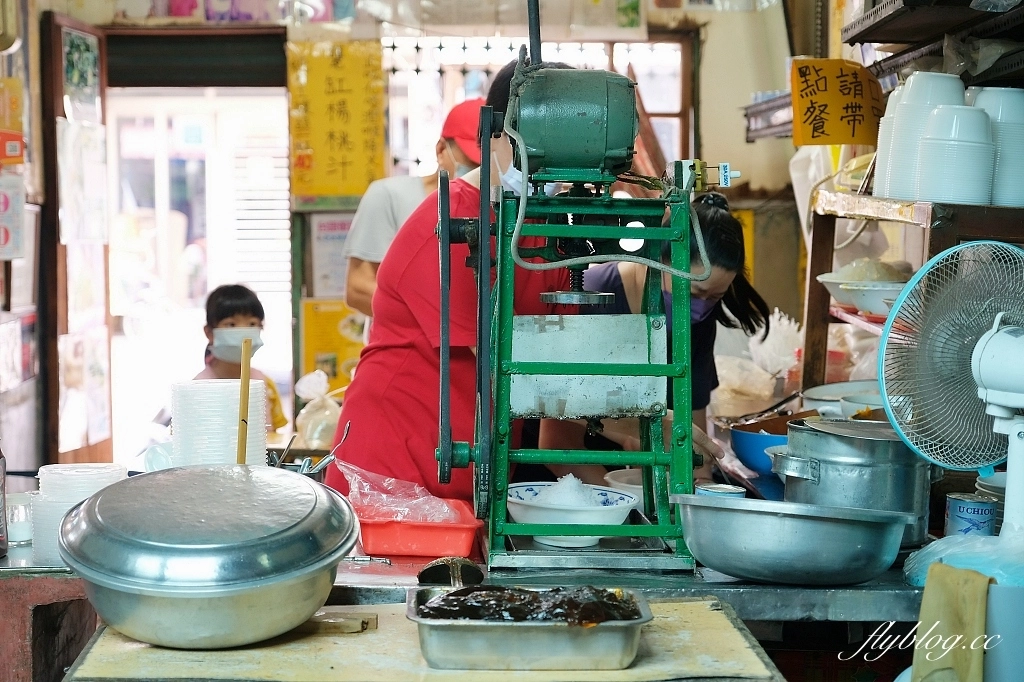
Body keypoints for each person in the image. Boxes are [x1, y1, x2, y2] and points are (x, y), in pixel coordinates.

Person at [324, 60, 736, 501]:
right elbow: (513, 370)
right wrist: (642, 418)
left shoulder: (539, 232)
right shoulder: (451, 225)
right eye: (546, 158)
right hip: (391, 475)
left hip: (473, 484)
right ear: (497, 132)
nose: (555, 176)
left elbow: (562, 360)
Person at [581, 192, 769, 483]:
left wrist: (702, 483)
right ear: (659, 260)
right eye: (694, 293)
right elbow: (554, 435)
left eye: (715, 296)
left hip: (638, 479)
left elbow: (694, 432)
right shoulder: (593, 296)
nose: (702, 307)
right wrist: (623, 508)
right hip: (571, 474)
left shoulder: (699, 321)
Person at [344, 98, 485, 317]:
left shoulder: (495, 211)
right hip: (406, 346)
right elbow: (358, 288)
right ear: (440, 150)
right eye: (472, 162)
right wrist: (434, 319)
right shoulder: (390, 197)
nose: (478, 172)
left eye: (485, 165)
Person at [194, 284, 289, 432]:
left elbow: (274, 437)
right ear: (209, 333)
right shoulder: (197, 389)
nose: (244, 331)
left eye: (252, 323)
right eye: (231, 324)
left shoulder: (265, 384)